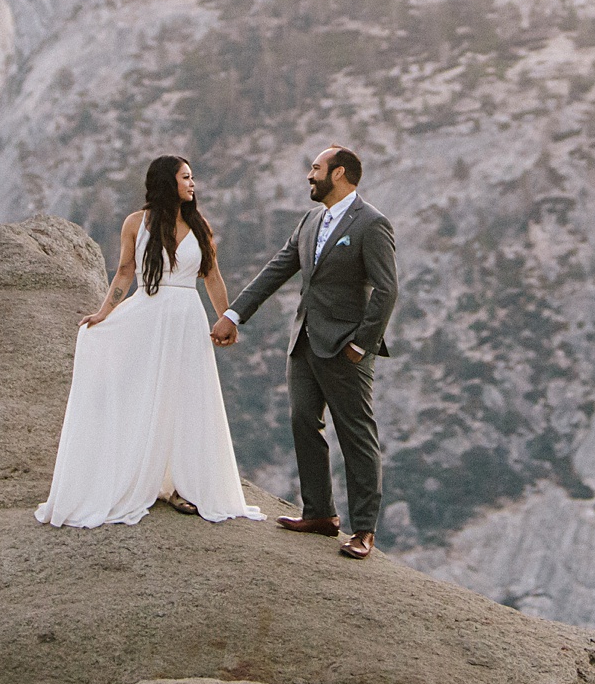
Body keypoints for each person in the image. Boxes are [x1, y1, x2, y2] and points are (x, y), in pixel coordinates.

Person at [35, 155, 263, 527]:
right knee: (143, 393)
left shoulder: (200, 226)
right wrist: (104, 313)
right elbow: (125, 270)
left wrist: (227, 318)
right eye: (186, 178)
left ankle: (182, 484)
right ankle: (138, 475)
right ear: (166, 182)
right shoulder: (136, 224)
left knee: (186, 397)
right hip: (149, 314)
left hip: (188, 318)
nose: (193, 184)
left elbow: (212, 277)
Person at [214, 145, 395, 559]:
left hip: (346, 348)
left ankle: (364, 531)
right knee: (301, 421)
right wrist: (234, 314)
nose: (309, 176)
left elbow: (387, 290)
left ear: (340, 174)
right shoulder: (311, 220)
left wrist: (360, 345)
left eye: (316, 168)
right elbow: (277, 269)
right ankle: (320, 514)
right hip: (304, 342)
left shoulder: (372, 224)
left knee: (356, 435)